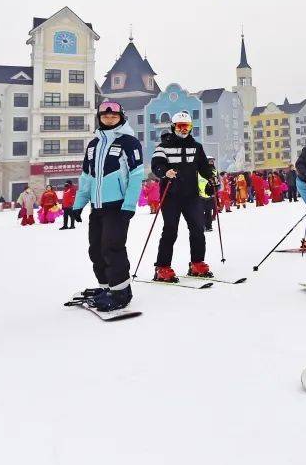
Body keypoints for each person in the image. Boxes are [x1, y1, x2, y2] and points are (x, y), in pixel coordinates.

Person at [71, 100, 145, 311]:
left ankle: (121, 292)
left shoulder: (129, 142)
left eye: (113, 116)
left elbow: (136, 175)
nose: (109, 119)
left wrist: (129, 206)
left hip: (118, 208)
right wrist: (79, 204)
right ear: (100, 118)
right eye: (105, 116)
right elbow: (86, 176)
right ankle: (106, 288)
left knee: (112, 248)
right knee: (96, 250)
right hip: (98, 207)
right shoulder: (94, 144)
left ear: (121, 117)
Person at [151, 111, 216, 282]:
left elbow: (203, 167)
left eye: (186, 126)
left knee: (197, 229)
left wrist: (211, 177)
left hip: (191, 195)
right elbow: (156, 166)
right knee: (170, 230)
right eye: (180, 126)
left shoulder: (196, 146)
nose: (183, 130)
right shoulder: (163, 146)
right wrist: (165, 171)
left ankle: (197, 263)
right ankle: (162, 267)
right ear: (173, 127)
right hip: (171, 195)